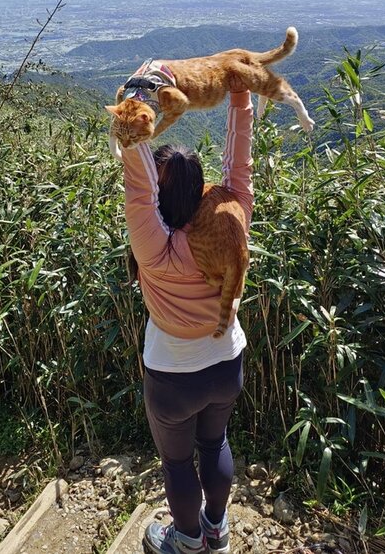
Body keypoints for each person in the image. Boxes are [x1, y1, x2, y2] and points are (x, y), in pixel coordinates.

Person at [120, 86, 254, 554]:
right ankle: (216, 529)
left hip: (172, 376)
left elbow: (139, 187)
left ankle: (188, 541)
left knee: (177, 464)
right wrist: (240, 96)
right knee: (215, 444)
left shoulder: (152, 246)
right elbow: (239, 168)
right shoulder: (231, 219)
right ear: (200, 188)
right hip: (227, 362)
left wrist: (133, 105)